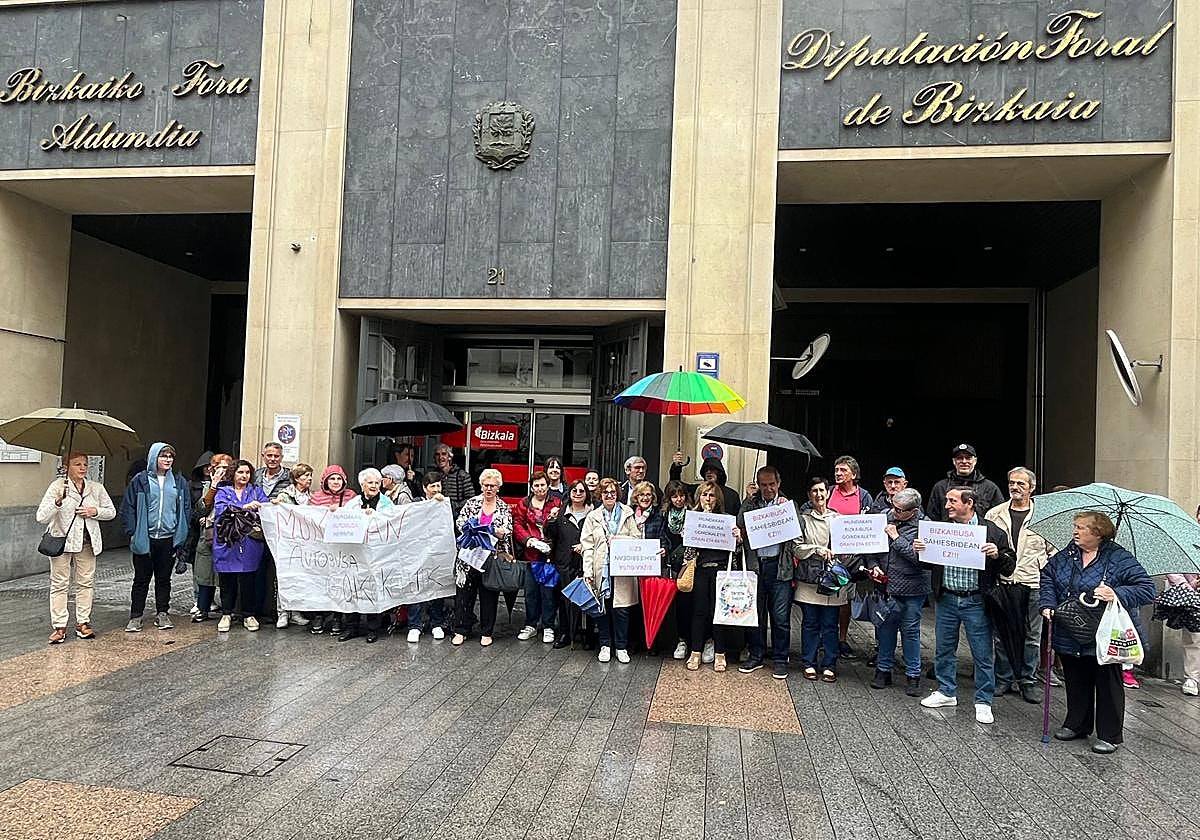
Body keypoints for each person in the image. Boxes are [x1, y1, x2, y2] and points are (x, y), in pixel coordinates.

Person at [1040, 512, 1155, 753]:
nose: (1075, 532)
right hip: (1070, 628)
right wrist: (1047, 603)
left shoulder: (1119, 558)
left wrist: (1116, 593)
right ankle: (1077, 724)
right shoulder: (1067, 555)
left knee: (1108, 684)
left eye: (1081, 528)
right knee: (1075, 678)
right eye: (1076, 526)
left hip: (1103, 632)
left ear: (1098, 533)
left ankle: (1109, 734)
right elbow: (1048, 576)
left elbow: (1146, 589)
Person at [918, 487, 1016, 724]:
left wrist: (997, 555)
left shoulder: (991, 531)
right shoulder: (941, 529)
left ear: (968, 503)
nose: (947, 504)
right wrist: (922, 551)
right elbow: (931, 564)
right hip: (947, 598)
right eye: (947, 501)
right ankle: (946, 691)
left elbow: (1010, 565)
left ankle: (983, 701)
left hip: (976, 599)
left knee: (982, 652)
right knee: (944, 648)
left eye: (952, 501)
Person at [985, 467, 1052, 703]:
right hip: (1004, 582)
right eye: (1012, 483)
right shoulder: (994, 514)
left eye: (1021, 484)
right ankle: (1003, 677)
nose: (1015, 487)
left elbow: (1053, 553)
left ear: (1031, 487)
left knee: (1033, 636)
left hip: (1033, 583)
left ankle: (1028, 681)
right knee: (1002, 633)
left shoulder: (1044, 517)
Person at [36, 452, 116, 643]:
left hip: (86, 543)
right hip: (62, 542)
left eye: (85, 464)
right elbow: (41, 517)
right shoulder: (57, 487)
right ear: (66, 467)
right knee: (59, 584)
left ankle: (83, 622)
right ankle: (59, 626)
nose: (82, 468)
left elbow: (111, 511)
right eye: (77, 464)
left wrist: (94, 511)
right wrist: (57, 501)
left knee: (85, 583)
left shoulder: (95, 488)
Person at [120, 442, 192, 632]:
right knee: (141, 579)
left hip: (167, 538)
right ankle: (136, 616)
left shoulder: (178, 481)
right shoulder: (140, 480)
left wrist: (181, 534)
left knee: (164, 579)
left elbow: (184, 509)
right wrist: (133, 532)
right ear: (153, 458)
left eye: (170, 456)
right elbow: (128, 507)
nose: (168, 459)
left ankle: (162, 613)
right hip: (145, 537)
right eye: (163, 456)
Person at [865, 487, 928, 695]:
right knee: (885, 629)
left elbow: (921, 560)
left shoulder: (925, 526)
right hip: (885, 585)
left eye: (900, 510)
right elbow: (871, 546)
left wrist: (896, 537)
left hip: (911, 588)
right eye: (893, 506)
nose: (894, 512)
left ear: (914, 510)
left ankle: (913, 675)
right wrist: (873, 564)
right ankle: (883, 670)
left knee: (910, 631)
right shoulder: (884, 516)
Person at [737, 466, 798, 680]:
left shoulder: (788, 505)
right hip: (756, 566)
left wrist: (787, 510)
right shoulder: (752, 503)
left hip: (779, 567)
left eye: (772, 484)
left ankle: (781, 659)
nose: (768, 488)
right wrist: (747, 499)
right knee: (756, 614)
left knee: (780, 617)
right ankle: (756, 654)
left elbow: (796, 532)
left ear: (778, 484)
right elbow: (739, 524)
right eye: (764, 485)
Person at [682, 480, 743, 672]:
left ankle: (720, 653)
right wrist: (689, 534)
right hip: (701, 569)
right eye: (704, 495)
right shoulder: (694, 518)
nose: (708, 499)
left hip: (721, 570)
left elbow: (736, 550)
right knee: (699, 611)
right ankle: (695, 652)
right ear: (699, 497)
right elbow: (689, 553)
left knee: (718, 612)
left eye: (711, 495)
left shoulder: (726, 519)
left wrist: (738, 538)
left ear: (718, 498)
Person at [793, 477, 848, 682]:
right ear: (809, 495)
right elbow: (796, 547)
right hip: (810, 580)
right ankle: (808, 662)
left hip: (833, 580)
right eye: (814, 491)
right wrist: (817, 549)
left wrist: (839, 552)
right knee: (810, 623)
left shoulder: (839, 519)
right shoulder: (803, 519)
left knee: (830, 624)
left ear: (828, 493)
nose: (819, 494)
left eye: (822, 490)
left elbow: (848, 548)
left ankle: (830, 664)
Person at [582, 477, 641, 663]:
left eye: (613, 492)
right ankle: (605, 645)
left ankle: (621, 647)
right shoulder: (593, 516)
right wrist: (588, 571)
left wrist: (619, 540)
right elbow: (587, 546)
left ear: (617, 494)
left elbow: (637, 539)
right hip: (601, 570)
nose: (609, 495)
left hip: (623, 569)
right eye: (606, 492)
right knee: (603, 608)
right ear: (600, 495)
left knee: (622, 609)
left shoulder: (627, 513)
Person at [453, 468, 512, 647]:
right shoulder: (471, 503)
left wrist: (496, 531)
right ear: (481, 486)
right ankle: (460, 630)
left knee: (489, 595)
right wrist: (471, 528)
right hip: (468, 556)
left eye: (492, 486)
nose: (489, 489)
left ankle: (487, 631)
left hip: (490, 557)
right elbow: (460, 522)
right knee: (464, 594)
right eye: (486, 485)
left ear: (498, 488)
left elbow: (508, 531)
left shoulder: (503, 507)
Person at [212, 460, 270, 632]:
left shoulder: (256, 491)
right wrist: (244, 507)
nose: (244, 476)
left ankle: (248, 614)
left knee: (248, 580)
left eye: (247, 473)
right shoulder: (223, 491)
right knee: (227, 580)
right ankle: (226, 614)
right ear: (233, 474)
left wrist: (269, 505)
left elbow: (264, 507)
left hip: (249, 542)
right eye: (240, 472)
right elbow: (221, 509)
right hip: (228, 542)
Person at [338, 467, 394, 643]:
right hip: (356, 553)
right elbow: (343, 521)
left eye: (377, 483)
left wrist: (376, 516)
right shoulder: (353, 503)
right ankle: (351, 627)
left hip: (376, 553)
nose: (374, 486)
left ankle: (372, 628)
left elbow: (392, 523)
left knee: (372, 589)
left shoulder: (386, 503)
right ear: (362, 484)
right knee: (353, 588)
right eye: (370, 482)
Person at [828, 455, 873, 658]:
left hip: (850, 558)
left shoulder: (864, 497)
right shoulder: (827, 492)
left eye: (843, 470)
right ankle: (825, 637)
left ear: (854, 474)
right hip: (828, 554)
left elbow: (871, 525)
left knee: (845, 599)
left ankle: (842, 639)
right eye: (836, 470)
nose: (838, 473)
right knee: (825, 596)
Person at [307, 465, 358, 635]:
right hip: (321, 547)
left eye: (339, 478)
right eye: (332, 478)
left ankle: (337, 617)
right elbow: (307, 518)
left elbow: (357, 517)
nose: (336, 482)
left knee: (339, 582)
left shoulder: (351, 496)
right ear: (325, 481)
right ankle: (319, 615)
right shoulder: (315, 497)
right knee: (321, 581)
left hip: (342, 547)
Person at [545, 479, 593, 649]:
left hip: (585, 563)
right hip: (563, 563)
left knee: (586, 600)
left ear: (586, 493)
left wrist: (585, 546)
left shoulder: (593, 513)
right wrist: (550, 520)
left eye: (581, 491)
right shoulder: (560, 513)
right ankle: (565, 633)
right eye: (575, 491)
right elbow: (550, 535)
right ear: (569, 493)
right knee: (564, 599)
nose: (578, 493)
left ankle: (586, 635)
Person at [514, 471, 560, 643]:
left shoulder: (556, 502)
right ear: (531, 487)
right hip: (531, 554)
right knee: (531, 591)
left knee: (548, 591)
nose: (540, 488)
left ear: (548, 485)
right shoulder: (524, 503)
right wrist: (528, 540)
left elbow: (560, 526)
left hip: (549, 554)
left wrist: (551, 541)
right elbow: (517, 524)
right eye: (536, 485)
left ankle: (548, 625)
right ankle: (531, 624)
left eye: (542, 485)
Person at [407, 471, 450, 643]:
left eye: (438, 485)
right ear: (425, 488)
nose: (436, 489)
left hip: (438, 553)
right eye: (432, 486)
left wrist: (443, 505)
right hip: (418, 553)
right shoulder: (417, 503)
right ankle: (414, 625)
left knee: (437, 588)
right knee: (416, 588)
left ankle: (436, 623)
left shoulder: (446, 504)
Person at [270, 463, 314, 627]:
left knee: (299, 577)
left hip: (304, 543)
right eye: (305, 476)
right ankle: (282, 612)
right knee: (284, 576)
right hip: (287, 542)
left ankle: (295, 611)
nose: (309, 479)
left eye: (310, 476)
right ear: (296, 478)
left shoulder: (312, 497)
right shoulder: (284, 496)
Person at [192, 453, 234, 623]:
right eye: (219, 467)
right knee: (205, 574)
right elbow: (201, 508)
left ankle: (228, 610)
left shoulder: (235, 485)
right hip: (208, 537)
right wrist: (214, 486)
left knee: (227, 576)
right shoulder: (208, 486)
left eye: (226, 467)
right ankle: (203, 608)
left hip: (228, 536)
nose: (222, 471)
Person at [926, 443, 1004, 521]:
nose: (964, 461)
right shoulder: (940, 487)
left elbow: (999, 516)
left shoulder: (990, 488)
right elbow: (931, 517)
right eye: (959, 458)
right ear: (954, 461)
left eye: (968, 458)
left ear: (975, 461)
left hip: (979, 532)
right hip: (946, 531)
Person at [660, 480, 691, 659]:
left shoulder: (693, 514)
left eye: (681, 495)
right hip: (672, 565)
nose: (678, 499)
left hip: (689, 564)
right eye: (674, 496)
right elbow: (662, 536)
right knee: (679, 606)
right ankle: (681, 640)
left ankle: (694, 641)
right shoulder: (665, 515)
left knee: (692, 604)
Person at [669, 453, 741, 517]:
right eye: (706, 470)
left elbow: (738, 519)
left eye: (712, 469)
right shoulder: (696, 490)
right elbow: (675, 486)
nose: (709, 472)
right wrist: (676, 468)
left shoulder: (732, 495)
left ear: (719, 472)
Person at [1166, 568, 1200, 696]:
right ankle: (1192, 677)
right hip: (1192, 597)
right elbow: (1173, 569)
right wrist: (1190, 585)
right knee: (1194, 637)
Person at [435, 444, 474, 517]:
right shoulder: (433, 475)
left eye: (443, 454)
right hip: (437, 516)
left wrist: (452, 506)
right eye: (437, 454)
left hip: (457, 516)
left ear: (449, 457)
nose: (440, 457)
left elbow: (470, 499)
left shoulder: (462, 475)